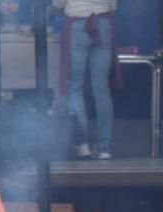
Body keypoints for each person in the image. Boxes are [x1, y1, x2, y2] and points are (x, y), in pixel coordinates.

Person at [56, 0, 116, 159]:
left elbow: (57, 4)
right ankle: (105, 149)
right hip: (102, 22)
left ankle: (83, 145)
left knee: (76, 87)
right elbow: (113, 6)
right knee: (101, 88)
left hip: (76, 24)